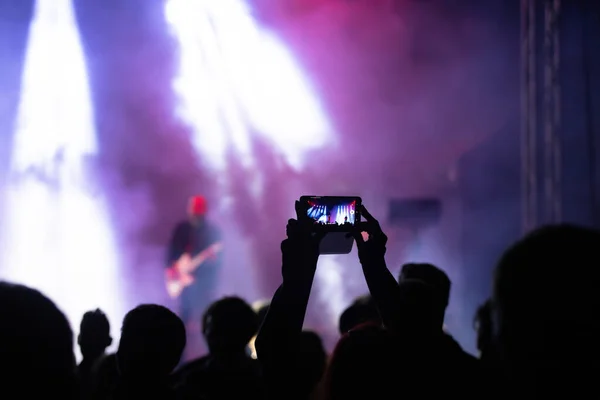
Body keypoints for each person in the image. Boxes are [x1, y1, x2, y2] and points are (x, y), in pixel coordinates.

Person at [166, 195, 222, 357]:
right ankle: (180, 354)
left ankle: (211, 352)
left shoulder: (211, 231)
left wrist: (210, 261)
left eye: (198, 209)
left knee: (207, 315)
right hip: (183, 282)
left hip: (202, 284)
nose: (195, 213)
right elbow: (171, 253)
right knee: (184, 316)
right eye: (193, 209)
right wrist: (172, 271)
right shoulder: (182, 229)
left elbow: (216, 265)